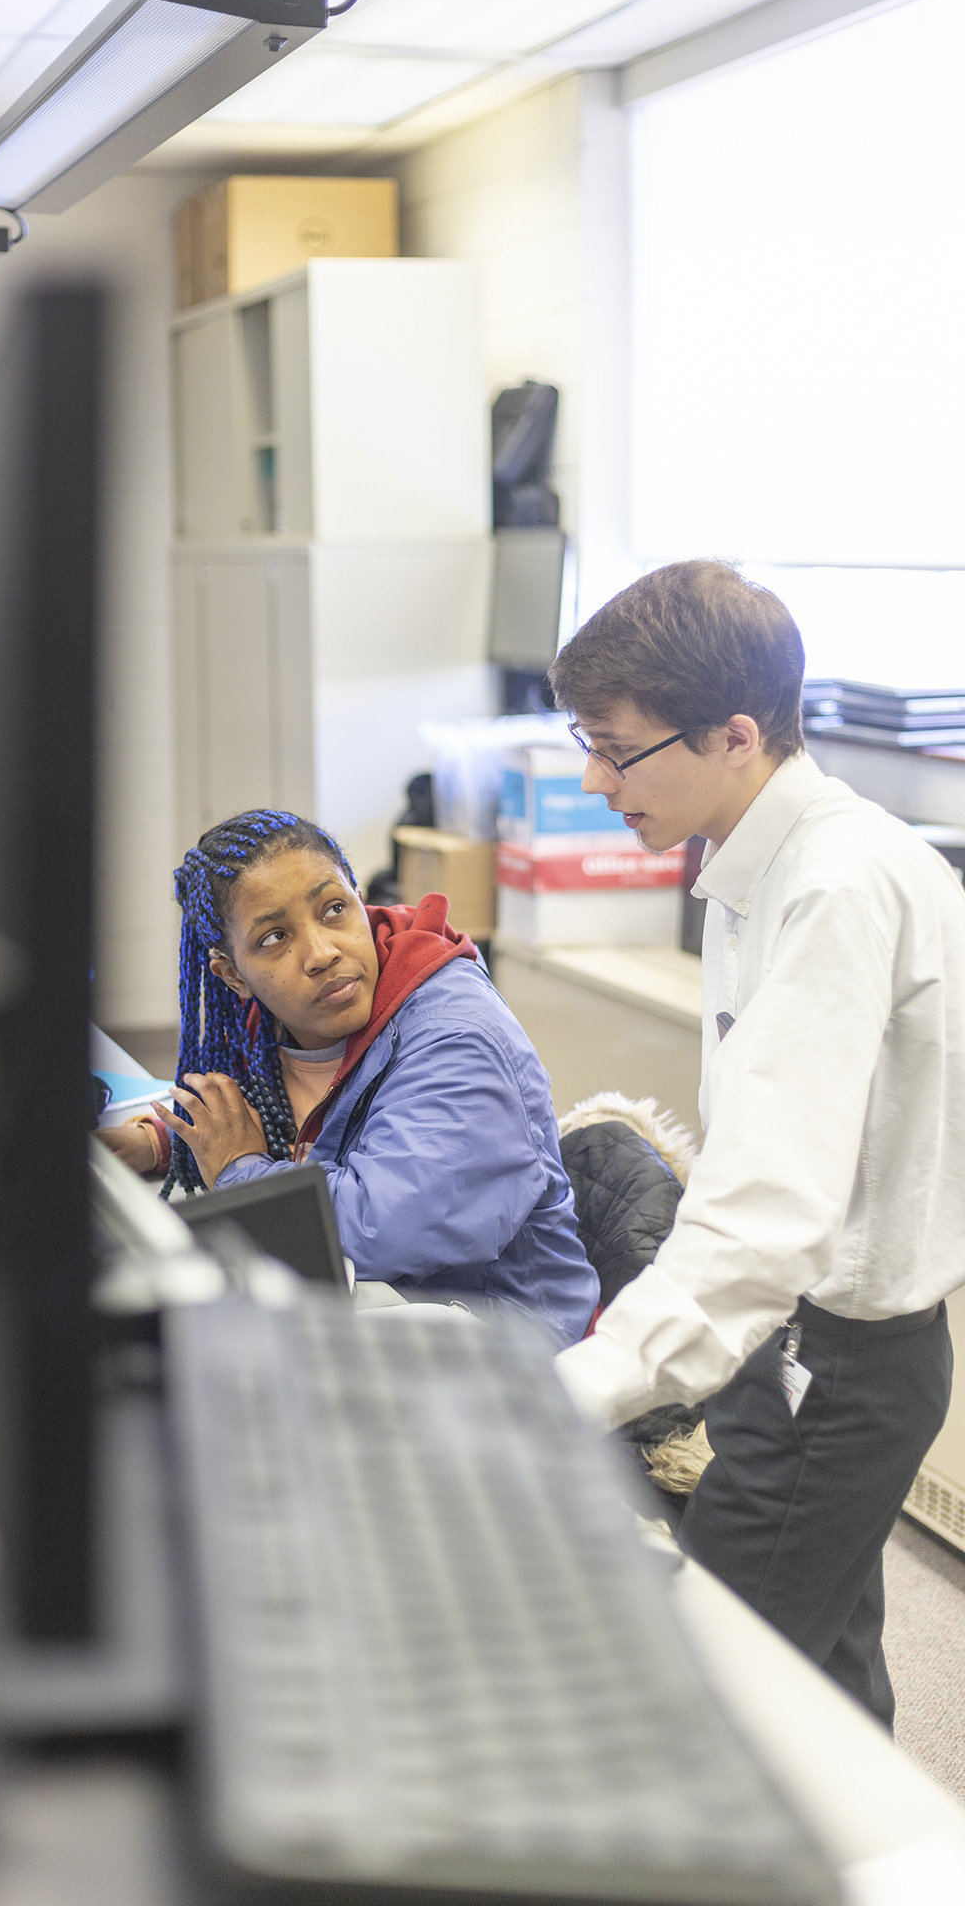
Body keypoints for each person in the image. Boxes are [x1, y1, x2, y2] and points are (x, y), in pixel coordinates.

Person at [549, 558, 965, 1724]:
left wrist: (573, 1389)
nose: (591, 778)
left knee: (700, 1706)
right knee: (822, 1688)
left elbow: (765, 1209)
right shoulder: (757, 860)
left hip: (830, 1368)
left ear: (732, 735)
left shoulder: (835, 884)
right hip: (791, 1347)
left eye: (613, 748)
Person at [102, 807, 597, 1341]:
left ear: (361, 901)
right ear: (232, 975)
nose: (321, 953)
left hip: (508, 1342)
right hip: (385, 1306)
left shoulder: (459, 1037)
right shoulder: (273, 1018)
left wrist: (240, 1169)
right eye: (274, 938)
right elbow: (273, 1117)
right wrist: (166, 1142)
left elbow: (389, 1228)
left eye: (334, 909)